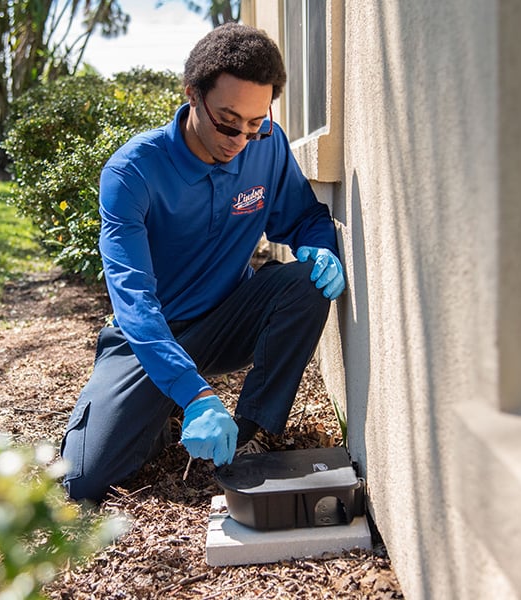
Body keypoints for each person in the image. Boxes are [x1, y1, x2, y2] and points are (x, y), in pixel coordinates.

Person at [60, 23, 345, 502]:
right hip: (151, 336)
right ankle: (171, 409)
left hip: (228, 319)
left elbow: (301, 217)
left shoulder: (266, 145)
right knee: (84, 477)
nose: (241, 138)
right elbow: (134, 301)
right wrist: (193, 393)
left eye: (257, 122)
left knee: (306, 283)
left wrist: (320, 246)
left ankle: (247, 430)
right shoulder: (132, 174)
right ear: (192, 94)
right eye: (229, 121)